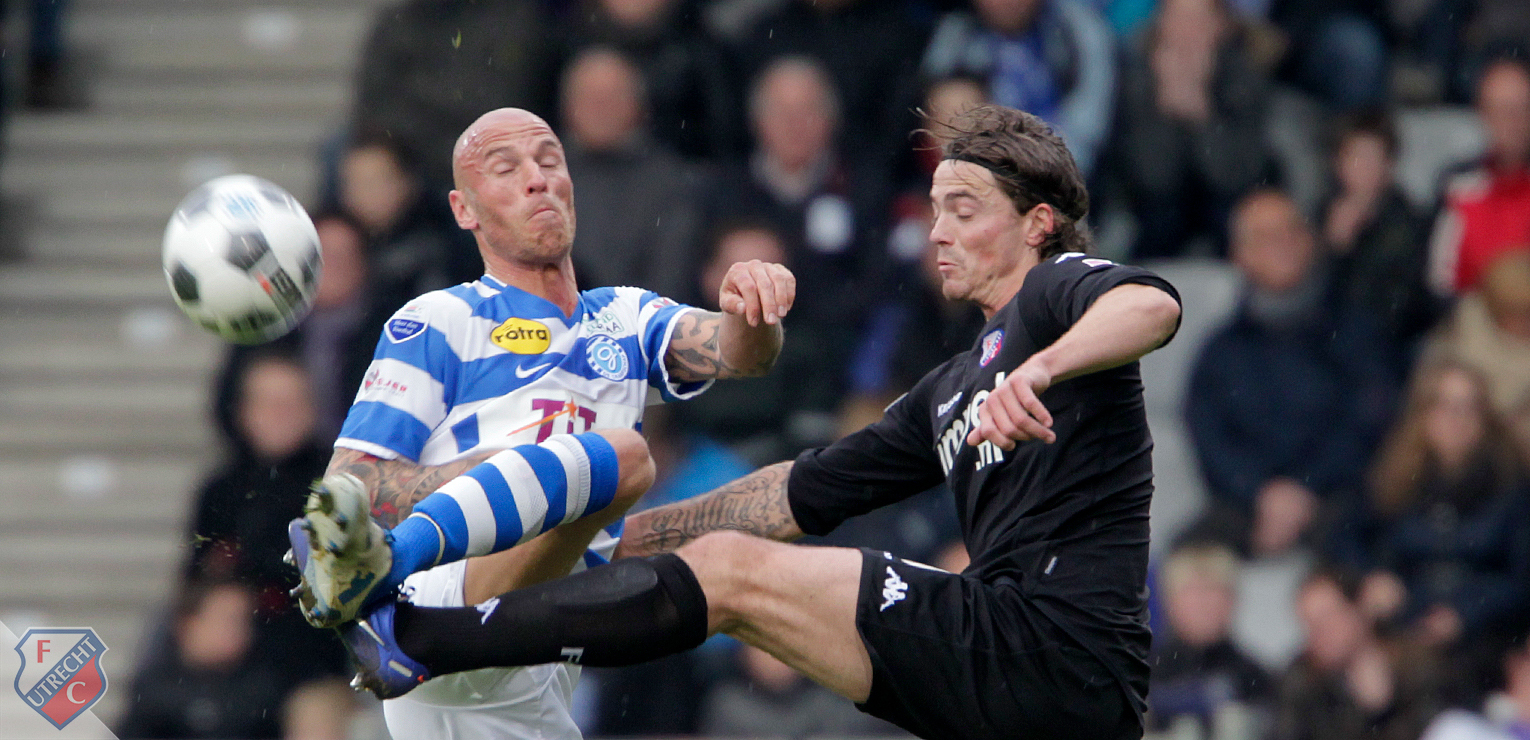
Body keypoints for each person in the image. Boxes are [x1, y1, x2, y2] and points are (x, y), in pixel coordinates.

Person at [320, 105, 1184, 740]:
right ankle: (412, 626)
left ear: (1036, 223)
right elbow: (797, 493)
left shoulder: (1055, 291)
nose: (936, 232)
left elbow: (1152, 304)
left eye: (962, 209)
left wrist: (1043, 364)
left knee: (677, 519)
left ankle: (412, 635)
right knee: (714, 556)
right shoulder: (950, 391)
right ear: (462, 208)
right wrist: (626, 540)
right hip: (1019, 669)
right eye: (933, 209)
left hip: (1055, 653)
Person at [287, 107, 796, 739]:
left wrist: (752, 306)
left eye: (549, 161)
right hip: (447, 609)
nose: (537, 179)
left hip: (542, 648)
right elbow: (350, 488)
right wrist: (497, 471)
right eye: (507, 168)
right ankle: (391, 570)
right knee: (626, 456)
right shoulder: (439, 319)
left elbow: (736, 353)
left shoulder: (624, 317)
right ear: (463, 209)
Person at [1183, 188, 1397, 558]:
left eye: (1292, 231)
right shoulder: (1220, 351)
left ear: (1310, 242)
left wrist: (1305, 489)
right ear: (1240, 256)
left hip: (1340, 501)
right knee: (1186, 563)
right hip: (1246, 505)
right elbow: (1211, 438)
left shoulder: (1356, 331)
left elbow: (1370, 421)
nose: (1283, 245)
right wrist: (1262, 493)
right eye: (1266, 238)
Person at [1428, 56, 1530, 296]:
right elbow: (1437, 283)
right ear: (1484, 114)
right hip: (1471, 320)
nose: (1512, 122)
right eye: (1502, 110)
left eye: (1520, 109)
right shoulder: (1457, 185)